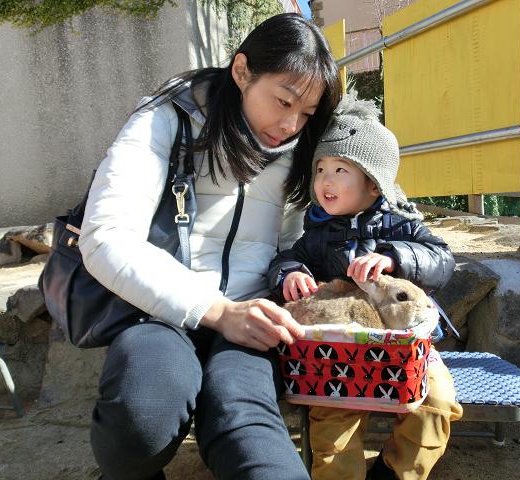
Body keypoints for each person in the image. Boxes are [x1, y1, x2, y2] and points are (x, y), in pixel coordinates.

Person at [78, 13, 341, 480]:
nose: (290, 124)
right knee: (141, 421)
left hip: (255, 318)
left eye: (305, 114)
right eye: (283, 101)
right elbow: (105, 237)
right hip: (158, 312)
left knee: (247, 425)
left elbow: (312, 233)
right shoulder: (166, 118)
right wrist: (217, 312)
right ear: (242, 71)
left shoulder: (308, 147)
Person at [267, 93, 464, 480]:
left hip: (410, 347)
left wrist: (395, 257)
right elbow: (285, 258)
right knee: (332, 419)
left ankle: (394, 473)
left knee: (436, 405)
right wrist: (289, 273)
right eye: (320, 168)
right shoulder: (317, 234)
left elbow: (442, 259)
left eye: (341, 170)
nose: (325, 178)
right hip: (341, 352)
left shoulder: (402, 224)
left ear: (373, 183)